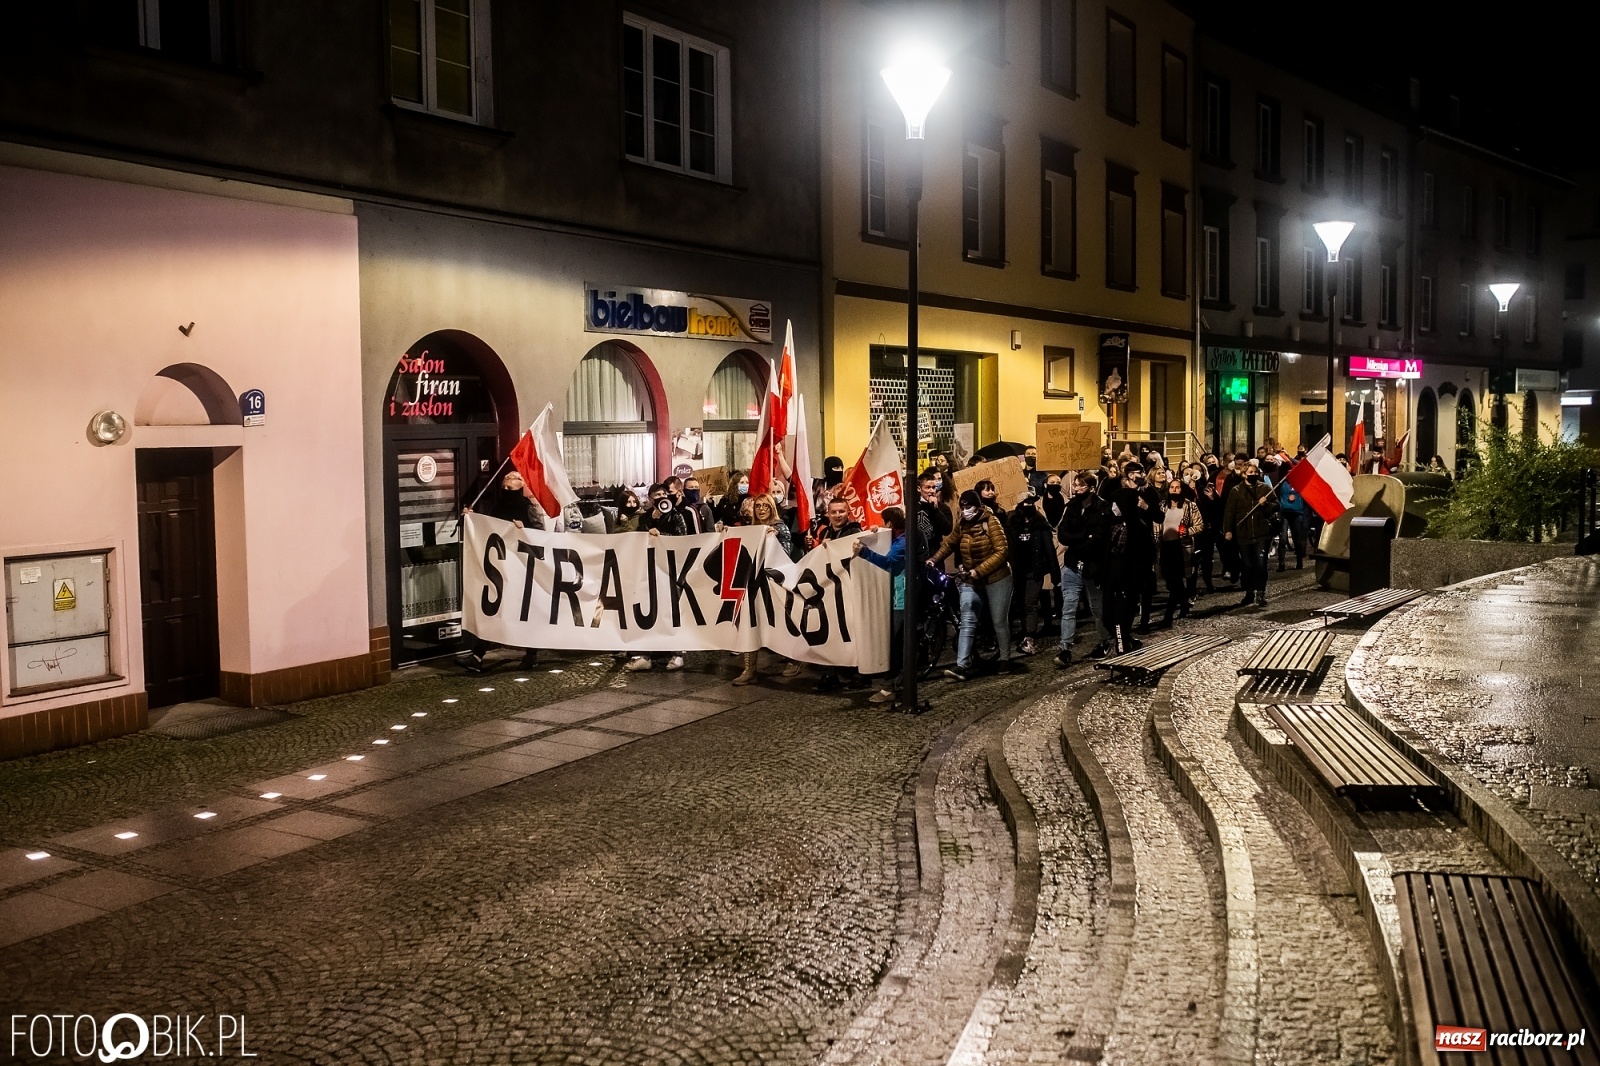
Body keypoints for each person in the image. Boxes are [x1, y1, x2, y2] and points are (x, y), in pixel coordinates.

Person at [460, 467, 545, 672]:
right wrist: (471, 518)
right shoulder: (498, 505)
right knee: (495, 609)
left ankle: (531, 653)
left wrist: (524, 529)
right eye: (504, 487)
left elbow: (541, 535)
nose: (506, 490)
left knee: (523, 612)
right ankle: (478, 655)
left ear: (520, 488)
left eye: (511, 487)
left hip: (520, 568)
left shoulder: (529, 508)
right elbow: (487, 527)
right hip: (499, 566)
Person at [927, 489, 1012, 682]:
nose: (966, 510)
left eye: (969, 506)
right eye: (963, 507)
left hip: (997, 577)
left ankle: (1005, 657)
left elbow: (1001, 551)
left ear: (978, 506)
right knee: (967, 619)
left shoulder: (991, 522)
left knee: (999, 620)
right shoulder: (963, 523)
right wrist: (934, 559)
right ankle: (962, 665)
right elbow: (949, 543)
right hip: (970, 578)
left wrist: (979, 570)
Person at [624, 487, 689, 672]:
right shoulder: (645, 517)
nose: (661, 498)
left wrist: (663, 536)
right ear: (651, 500)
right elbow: (637, 537)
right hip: (649, 572)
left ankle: (677, 653)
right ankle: (644, 655)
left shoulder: (677, 516)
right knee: (647, 611)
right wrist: (652, 521)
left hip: (671, 572)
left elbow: (682, 538)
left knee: (672, 611)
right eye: (657, 496)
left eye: (663, 494)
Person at [732, 493, 791, 686]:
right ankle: (750, 668)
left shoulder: (780, 528)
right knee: (750, 624)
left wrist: (774, 540)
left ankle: (795, 658)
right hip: (753, 584)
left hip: (773, 584)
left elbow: (785, 556)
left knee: (781, 624)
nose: (762, 509)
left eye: (766, 506)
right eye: (758, 506)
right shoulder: (752, 530)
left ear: (772, 507)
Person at [853, 506, 907, 705]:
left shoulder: (903, 542)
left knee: (894, 644)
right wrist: (876, 534)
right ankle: (896, 683)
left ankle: (891, 687)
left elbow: (890, 563)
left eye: (885, 522)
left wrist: (865, 552)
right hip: (893, 597)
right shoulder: (897, 537)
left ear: (890, 523)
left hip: (901, 598)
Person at [1056, 472, 1105, 666]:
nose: (1076, 489)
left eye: (1081, 486)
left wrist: (1079, 540)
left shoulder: (1102, 508)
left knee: (1097, 608)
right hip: (1072, 565)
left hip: (1093, 566)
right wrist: (1084, 537)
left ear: (1092, 488)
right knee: (1068, 608)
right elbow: (1063, 535)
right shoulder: (1071, 507)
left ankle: (1103, 641)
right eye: (1075, 485)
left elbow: (1099, 539)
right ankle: (1065, 648)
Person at [1223, 461, 1278, 607]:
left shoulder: (1264, 488)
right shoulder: (1236, 491)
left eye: (1255, 472)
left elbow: (1276, 506)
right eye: (1250, 472)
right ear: (1243, 474)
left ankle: (1260, 593)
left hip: (1262, 533)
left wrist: (1266, 504)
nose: (1253, 475)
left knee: (1260, 564)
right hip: (1243, 534)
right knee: (1247, 565)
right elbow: (1230, 512)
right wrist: (1228, 530)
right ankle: (1249, 592)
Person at [1007, 494, 1054, 655]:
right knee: (1021, 604)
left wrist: (1054, 573)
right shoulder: (1011, 523)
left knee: (1030, 603)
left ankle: (1029, 637)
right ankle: (1025, 632)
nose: (1029, 506)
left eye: (1031, 503)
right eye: (1025, 503)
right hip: (1018, 571)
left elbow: (1049, 549)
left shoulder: (1040, 524)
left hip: (1035, 571)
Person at [1158, 478, 1203, 625]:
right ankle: (1184, 604)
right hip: (1165, 546)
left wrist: (1187, 532)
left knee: (1176, 580)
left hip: (1181, 547)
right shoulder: (1162, 506)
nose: (1174, 489)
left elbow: (1199, 525)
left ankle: (1168, 616)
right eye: (1172, 487)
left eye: (1177, 487)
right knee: (1170, 581)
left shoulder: (1190, 506)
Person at [1276, 469, 1309, 571]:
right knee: (1283, 539)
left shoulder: (1301, 483)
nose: (1290, 473)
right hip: (1284, 514)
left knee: (1297, 540)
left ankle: (1299, 561)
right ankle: (1281, 563)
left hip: (1297, 514)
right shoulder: (1281, 483)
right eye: (1289, 471)